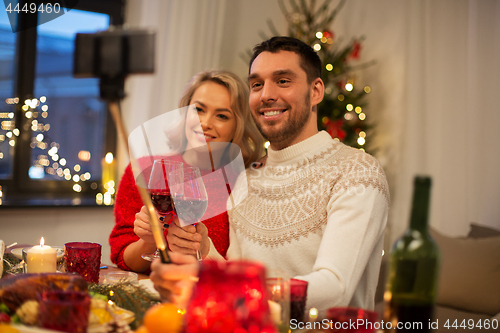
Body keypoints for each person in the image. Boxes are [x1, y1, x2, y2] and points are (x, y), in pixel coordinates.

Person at [151, 36, 389, 314]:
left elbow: (333, 289)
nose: (266, 95)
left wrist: (241, 290)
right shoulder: (246, 179)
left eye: (283, 81)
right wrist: (204, 249)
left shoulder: (357, 172)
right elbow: (233, 272)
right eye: (256, 84)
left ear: (315, 91)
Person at [109, 70, 265, 273]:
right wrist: (149, 242)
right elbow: (122, 257)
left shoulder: (245, 183)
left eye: (221, 116)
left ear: (238, 126)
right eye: (198, 109)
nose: (205, 123)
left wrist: (202, 252)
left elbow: (244, 271)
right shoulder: (143, 171)